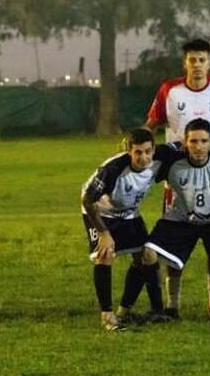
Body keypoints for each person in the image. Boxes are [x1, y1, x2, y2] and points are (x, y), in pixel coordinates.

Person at [144, 38, 210, 320]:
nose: (197, 65)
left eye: (202, 59)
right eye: (192, 60)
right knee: (176, 244)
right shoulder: (169, 90)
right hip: (178, 176)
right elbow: (151, 124)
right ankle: (171, 305)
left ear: (209, 62)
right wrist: (137, 146)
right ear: (184, 62)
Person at [142, 119, 210, 320]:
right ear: (185, 143)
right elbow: (148, 156)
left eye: (203, 141)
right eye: (193, 141)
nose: (199, 147)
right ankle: (167, 309)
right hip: (181, 219)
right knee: (148, 254)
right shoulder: (171, 161)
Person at [81, 128, 170, 331]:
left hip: (128, 212)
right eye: (138, 152)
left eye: (148, 151)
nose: (143, 157)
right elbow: (88, 199)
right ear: (128, 150)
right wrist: (104, 233)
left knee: (145, 256)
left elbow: (185, 147)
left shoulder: (161, 157)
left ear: (154, 150)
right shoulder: (113, 169)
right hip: (99, 211)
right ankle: (107, 316)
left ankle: (131, 311)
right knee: (105, 254)